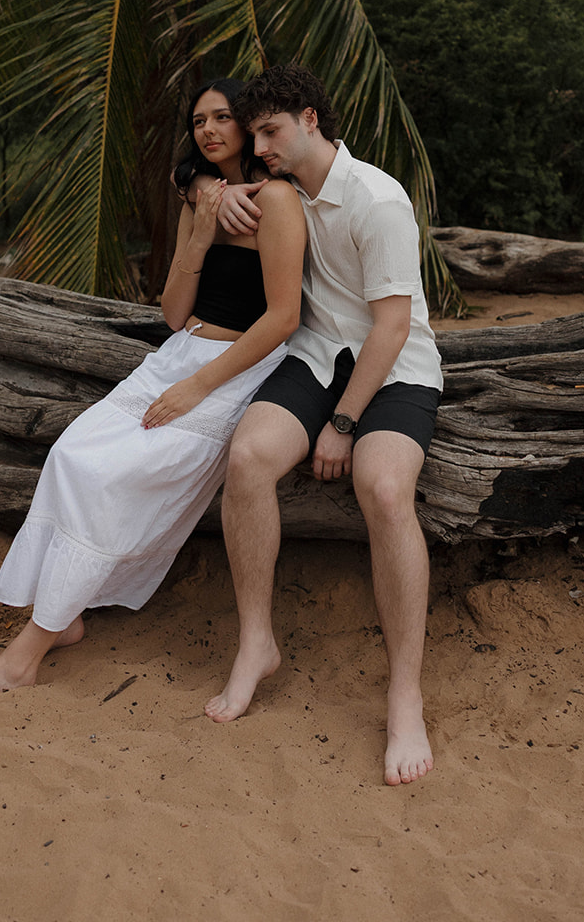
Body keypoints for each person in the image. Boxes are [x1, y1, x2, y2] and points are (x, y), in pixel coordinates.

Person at [0, 79, 305, 701]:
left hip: (242, 364)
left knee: (114, 480)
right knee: (72, 453)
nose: (208, 130)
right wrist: (200, 227)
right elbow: (172, 309)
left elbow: (283, 316)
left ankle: (22, 659)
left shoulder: (279, 201)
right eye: (197, 121)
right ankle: (67, 615)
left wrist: (196, 388)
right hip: (182, 348)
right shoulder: (203, 195)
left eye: (221, 118)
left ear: (247, 125)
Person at [202, 64, 443, 787]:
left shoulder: (376, 199)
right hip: (315, 354)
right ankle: (255, 645)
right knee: (245, 459)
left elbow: (394, 326)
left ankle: (403, 693)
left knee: (384, 487)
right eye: (255, 137)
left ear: (310, 119)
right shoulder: (278, 195)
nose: (261, 148)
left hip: (392, 364)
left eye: (270, 132)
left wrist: (342, 424)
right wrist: (208, 193)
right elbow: (203, 176)